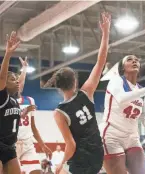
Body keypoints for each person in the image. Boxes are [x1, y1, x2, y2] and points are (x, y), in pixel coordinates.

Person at [44, 12, 111, 174]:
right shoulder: (86, 92)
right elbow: (101, 62)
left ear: (58, 87)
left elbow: (71, 145)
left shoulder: (59, 113)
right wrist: (106, 33)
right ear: (75, 81)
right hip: (97, 154)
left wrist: (61, 163)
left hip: (80, 160)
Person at [100, 54, 145, 174]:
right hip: (112, 135)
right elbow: (121, 98)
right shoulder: (116, 81)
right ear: (123, 67)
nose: (134, 61)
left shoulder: (142, 92)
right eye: (129, 60)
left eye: (136, 60)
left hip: (132, 138)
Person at [0, 31, 35, 174]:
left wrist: (24, 69)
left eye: (16, 79)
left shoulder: (15, 99)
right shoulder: (2, 98)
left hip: (10, 146)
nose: (16, 81)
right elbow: (2, 77)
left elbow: (21, 82)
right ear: (4, 85)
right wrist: (8, 53)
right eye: (12, 79)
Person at [16, 62, 52, 174]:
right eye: (16, 82)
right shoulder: (5, 101)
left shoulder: (30, 100)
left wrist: (42, 144)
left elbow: (33, 126)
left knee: (36, 171)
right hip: (10, 145)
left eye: (20, 82)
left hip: (27, 143)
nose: (19, 84)